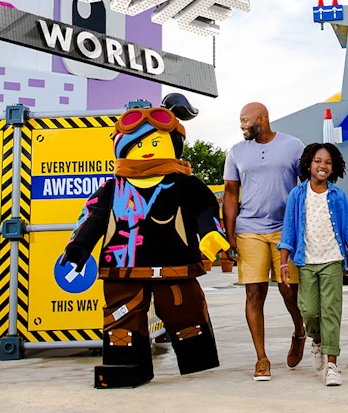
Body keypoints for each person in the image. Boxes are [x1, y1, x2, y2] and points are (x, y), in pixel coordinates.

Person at [63, 95, 230, 388]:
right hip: (123, 269)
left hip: (174, 266)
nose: (148, 151)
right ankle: (126, 367)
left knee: (186, 313)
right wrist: (78, 248)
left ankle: (197, 360)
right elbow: (92, 219)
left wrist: (211, 234)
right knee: (121, 321)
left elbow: (204, 208)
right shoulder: (112, 188)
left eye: (155, 143)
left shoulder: (184, 184)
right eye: (139, 145)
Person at [223, 102, 306, 381]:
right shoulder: (236, 152)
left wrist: (305, 227)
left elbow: (307, 188)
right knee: (254, 293)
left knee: (289, 291)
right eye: (240, 121)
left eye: (246, 120)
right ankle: (261, 359)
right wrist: (230, 232)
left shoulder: (293, 145)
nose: (242, 125)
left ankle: (299, 331)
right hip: (249, 229)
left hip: (285, 230)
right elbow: (231, 195)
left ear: (263, 118)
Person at [277, 143, 348, 387]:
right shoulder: (298, 194)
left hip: (332, 260)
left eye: (327, 162)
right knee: (308, 311)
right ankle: (316, 340)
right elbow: (288, 230)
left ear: (333, 167)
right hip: (306, 261)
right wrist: (283, 262)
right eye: (318, 161)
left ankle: (332, 365)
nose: (322, 166)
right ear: (309, 164)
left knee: (331, 312)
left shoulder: (337, 196)